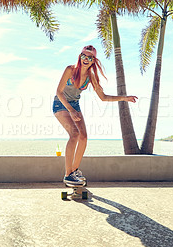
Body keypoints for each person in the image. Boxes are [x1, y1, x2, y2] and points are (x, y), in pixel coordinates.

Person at [53, 45, 138, 185]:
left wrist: (124, 98)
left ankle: (74, 171)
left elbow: (103, 97)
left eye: (90, 57)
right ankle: (68, 174)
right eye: (84, 56)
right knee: (74, 134)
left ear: (93, 60)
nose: (86, 59)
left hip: (75, 104)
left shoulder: (90, 77)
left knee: (84, 137)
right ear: (80, 56)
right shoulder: (70, 70)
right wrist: (71, 110)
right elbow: (59, 92)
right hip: (60, 104)